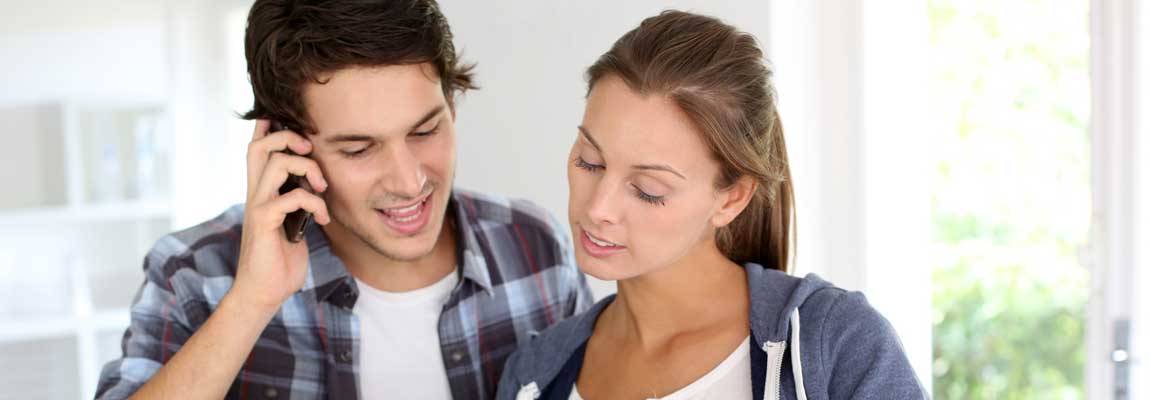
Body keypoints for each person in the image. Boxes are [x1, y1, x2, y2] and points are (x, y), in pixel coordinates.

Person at [95, 1, 592, 399]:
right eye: (359, 149)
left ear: (452, 104)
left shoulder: (536, 248)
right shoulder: (193, 275)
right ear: (289, 147)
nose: (408, 181)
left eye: (424, 131)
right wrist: (251, 302)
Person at [498, 10, 926, 400]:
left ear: (732, 198)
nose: (597, 208)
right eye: (590, 162)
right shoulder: (533, 374)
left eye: (647, 189)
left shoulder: (838, 342)